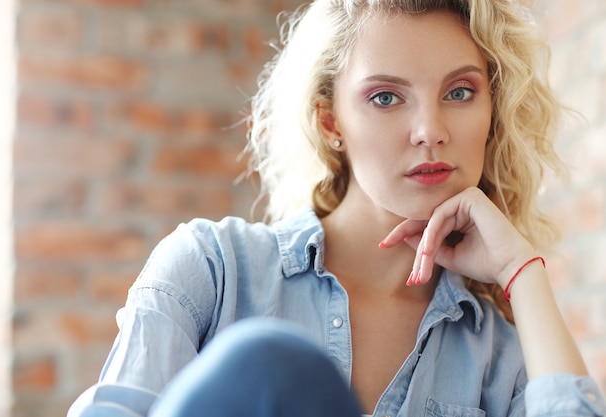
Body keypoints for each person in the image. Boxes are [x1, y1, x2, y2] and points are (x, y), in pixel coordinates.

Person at [68, 0, 606, 416]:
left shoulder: (498, 354)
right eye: (386, 97)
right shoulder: (213, 270)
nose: (431, 132)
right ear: (331, 123)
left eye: (460, 92)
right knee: (271, 363)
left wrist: (523, 273)